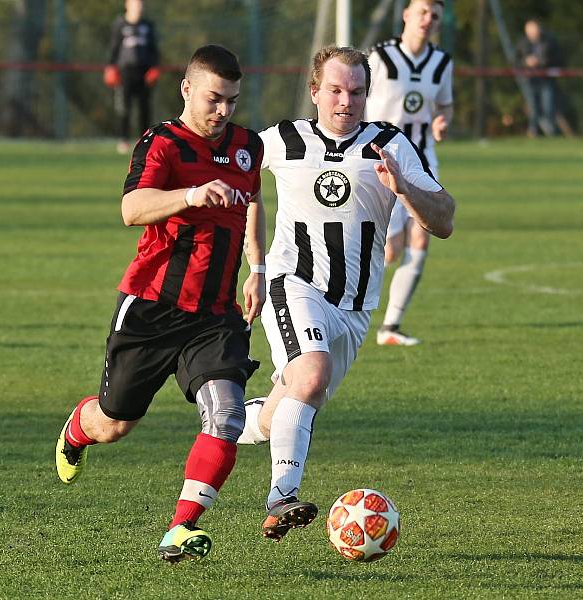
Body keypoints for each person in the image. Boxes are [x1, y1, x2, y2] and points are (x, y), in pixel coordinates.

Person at [56, 44, 267, 563]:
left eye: (232, 101)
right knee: (115, 423)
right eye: (214, 99)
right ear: (187, 89)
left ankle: (181, 528)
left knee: (226, 416)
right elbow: (131, 208)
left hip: (216, 314)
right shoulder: (163, 142)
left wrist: (257, 266)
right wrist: (191, 195)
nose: (223, 112)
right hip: (152, 307)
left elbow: (254, 199)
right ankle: (77, 431)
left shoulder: (246, 145)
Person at [237, 46, 455, 541]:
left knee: (286, 410)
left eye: (356, 91)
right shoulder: (283, 139)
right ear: (314, 91)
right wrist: (254, 266)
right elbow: (241, 183)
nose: (345, 101)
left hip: (355, 311)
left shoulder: (391, 145)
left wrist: (404, 189)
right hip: (294, 283)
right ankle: (281, 499)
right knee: (310, 376)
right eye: (335, 90)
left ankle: (226, 423)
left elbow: (443, 220)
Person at [365, 0, 454, 346]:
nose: (428, 20)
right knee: (390, 250)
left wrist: (443, 120)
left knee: (421, 237)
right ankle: (339, 299)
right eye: (422, 12)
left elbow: (444, 103)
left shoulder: (441, 63)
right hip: (382, 158)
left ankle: (390, 327)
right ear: (406, 15)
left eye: (434, 16)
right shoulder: (380, 57)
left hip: (423, 159)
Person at [107, 0, 160, 153]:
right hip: (125, 71)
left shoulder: (147, 25)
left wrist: (155, 67)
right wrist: (111, 67)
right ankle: (123, 140)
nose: (139, 7)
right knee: (124, 107)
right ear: (127, 5)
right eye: (135, 4)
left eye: (141, 4)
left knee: (145, 107)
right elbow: (114, 47)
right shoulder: (120, 24)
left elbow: (153, 49)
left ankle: (144, 139)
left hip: (144, 71)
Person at [516, 18, 563, 137]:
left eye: (533, 29)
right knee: (533, 107)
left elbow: (558, 59)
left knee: (548, 107)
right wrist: (525, 62)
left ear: (539, 28)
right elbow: (516, 60)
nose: (531, 32)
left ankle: (550, 132)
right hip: (529, 80)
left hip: (546, 79)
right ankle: (534, 131)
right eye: (529, 29)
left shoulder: (549, 41)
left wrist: (541, 62)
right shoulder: (522, 42)